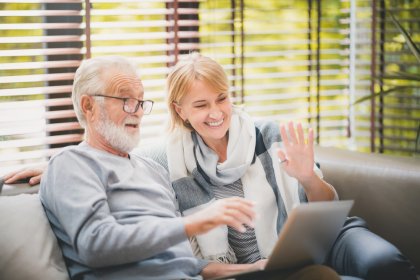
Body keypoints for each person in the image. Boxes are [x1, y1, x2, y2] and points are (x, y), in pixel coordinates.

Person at [5, 54, 415, 279]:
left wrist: (307, 178)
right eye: (201, 105)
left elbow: (187, 263)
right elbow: (97, 208)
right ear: (180, 112)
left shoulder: (263, 135)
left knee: (374, 268)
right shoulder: (144, 161)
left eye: (221, 98)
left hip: (311, 240)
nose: (216, 112)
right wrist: (57, 162)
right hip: (229, 271)